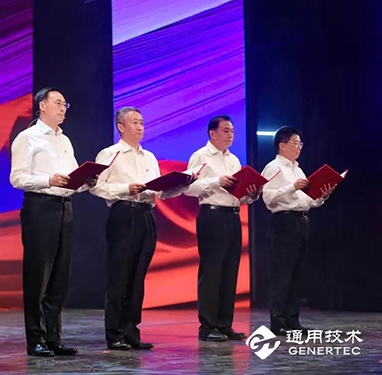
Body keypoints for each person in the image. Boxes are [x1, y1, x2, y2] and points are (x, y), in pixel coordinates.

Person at [90, 107, 196, 351]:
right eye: (134, 122)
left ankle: (131, 331)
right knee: (120, 275)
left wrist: (181, 185)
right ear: (121, 127)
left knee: (138, 276)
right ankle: (115, 333)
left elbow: (161, 192)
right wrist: (125, 189)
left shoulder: (149, 157)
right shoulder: (110, 154)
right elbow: (95, 187)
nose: (140, 127)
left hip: (146, 213)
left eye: (141, 122)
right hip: (123, 213)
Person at [10, 87, 96, 357]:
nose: (62, 108)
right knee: (38, 276)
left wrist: (86, 182)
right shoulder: (27, 137)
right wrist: (48, 180)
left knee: (60, 276)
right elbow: (17, 178)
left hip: (64, 207)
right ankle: (35, 338)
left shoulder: (65, 140)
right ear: (42, 106)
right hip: (40, 208)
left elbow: (70, 179)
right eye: (58, 103)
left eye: (65, 104)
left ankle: (53, 337)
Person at [184, 115, 260, 342]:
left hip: (233, 215)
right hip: (212, 215)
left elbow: (239, 194)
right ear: (212, 133)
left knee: (230, 271)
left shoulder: (234, 159)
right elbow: (188, 188)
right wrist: (216, 181)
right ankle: (208, 326)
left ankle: (225, 324)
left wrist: (251, 195)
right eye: (226, 130)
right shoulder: (201, 156)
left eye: (232, 131)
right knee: (212, 271)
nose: (230, 135)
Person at [261, 126, 334, 336]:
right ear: (282, 145)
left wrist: (322, 196)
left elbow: (306, 200)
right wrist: (292, 187)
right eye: (295, 143)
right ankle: (278, 322)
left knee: (297, 273)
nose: (299, 147)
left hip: (301, 220)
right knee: (282, 273)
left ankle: (293, 320)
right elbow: (268, 197)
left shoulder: (297, 169)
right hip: (284, 221)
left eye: (300, 143)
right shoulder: (273, 167)